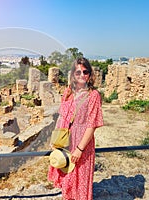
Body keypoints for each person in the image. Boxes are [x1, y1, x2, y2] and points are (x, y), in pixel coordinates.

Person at [48, 57, 104, 200]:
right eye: (78, 72)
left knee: (79, 183)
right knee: (67, 182)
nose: (82, 75)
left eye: (85, 72)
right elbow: (62, 116)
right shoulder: (68, 92)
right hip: (65, 139)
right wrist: (55, 140)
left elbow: (92, 124)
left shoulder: (93, 95)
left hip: (81, 143)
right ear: (73, 74)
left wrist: (80, 149)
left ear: (90, 74)